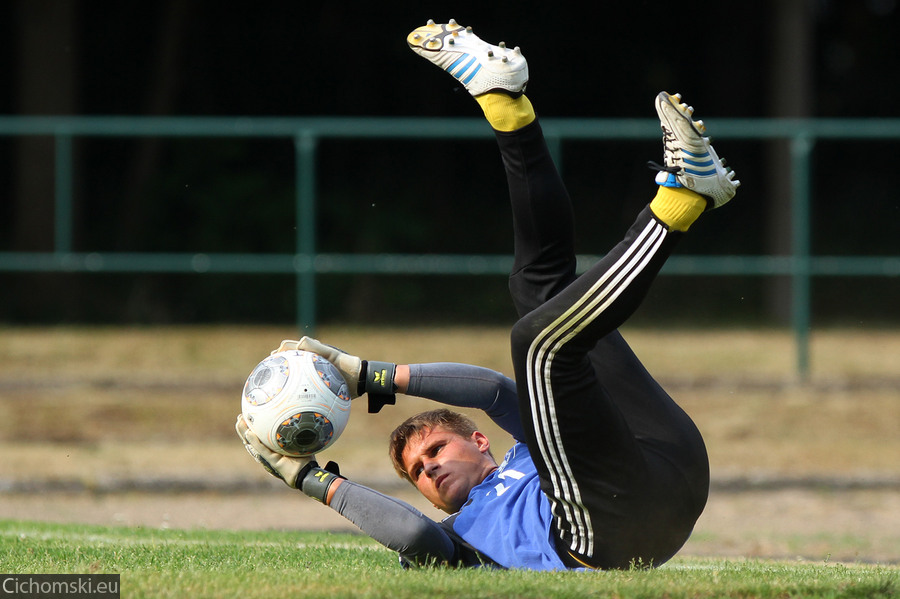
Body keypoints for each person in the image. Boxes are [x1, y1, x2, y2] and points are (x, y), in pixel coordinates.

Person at [236, 19, 740, 571]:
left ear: (480, 442)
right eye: (418, 473)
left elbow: (495, 391)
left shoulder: (538, 449)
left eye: (433, 452)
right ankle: (680, 201)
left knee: (535, 288)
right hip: (610, 534)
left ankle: (506, 104)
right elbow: (415, 537)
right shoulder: (463, 540)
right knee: (538, 342)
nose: (429, 470)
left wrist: (369, 375)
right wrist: (309, 479)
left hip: (664, 458)